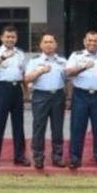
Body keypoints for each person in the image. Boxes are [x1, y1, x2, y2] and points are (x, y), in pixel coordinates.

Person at [0, 25, 29, 168]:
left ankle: (20, 156)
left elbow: (23, 74)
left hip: (16, 89)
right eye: (7, 37)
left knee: (18, 125)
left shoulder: (20, 53)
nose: (10, 39)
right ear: (1, 38)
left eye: (13, 37)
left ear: (16, 38)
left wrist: (26, 91)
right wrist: (2, 58)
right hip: (1, 89)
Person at [65, 31, 97, 169]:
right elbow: (68, 73)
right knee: (77, 127)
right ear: (84, 41)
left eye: (95, 41)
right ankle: (75, 158)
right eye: (90, 40)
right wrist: (83, 66)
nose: (92, 43)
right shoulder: (76, 56)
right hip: (80, 95)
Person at [24, 33, 67, 169]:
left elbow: (68, 80)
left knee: (57, 128)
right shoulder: (34, 61)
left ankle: (57, 156)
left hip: (58, 95)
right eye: (46, 42)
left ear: (56, 45)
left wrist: (68, 97)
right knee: (39, 127)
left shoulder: (62, 61)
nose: (48, 45)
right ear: (41, 45)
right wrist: (40, 71)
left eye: (51, 42)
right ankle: (38, 157)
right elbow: (27, 79)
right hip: (40, 96)